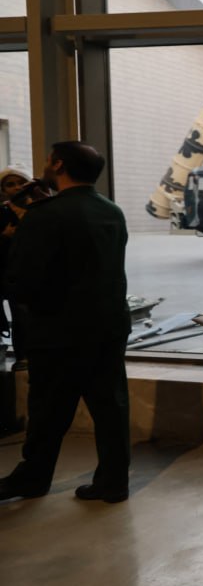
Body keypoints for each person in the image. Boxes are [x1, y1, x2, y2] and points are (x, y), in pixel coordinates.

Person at [0, 141, 132, 503]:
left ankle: (33, 479)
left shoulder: (44, 215)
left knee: (47, 411)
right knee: (110, 407)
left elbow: (24, 278)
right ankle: (113, 482)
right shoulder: (111, 210)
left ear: (58, 165)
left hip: (59, 330)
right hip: (108, 326)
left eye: (48, 160)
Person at [0, 167, 53, 362]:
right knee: (19, 318)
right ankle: (22, 359)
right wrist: (4, 237)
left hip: (33, 275)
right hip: (7, 275)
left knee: (29, 318)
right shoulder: (2, 212)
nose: (16, 188)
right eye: (10, 184)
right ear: (3, 190)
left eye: (21, 183)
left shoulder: (41, 210)